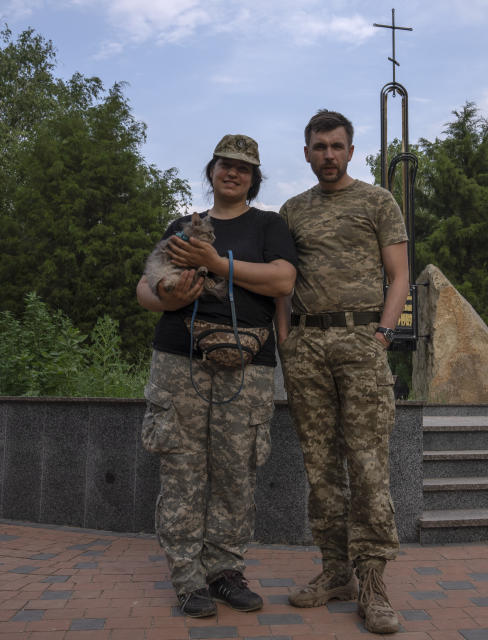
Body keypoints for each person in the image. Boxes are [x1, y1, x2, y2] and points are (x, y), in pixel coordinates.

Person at [136, 134, 297, 618]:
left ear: (254, 178)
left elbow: (284, 281)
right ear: (211, 171)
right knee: (182, 468)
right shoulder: (182, 225)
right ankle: (188, 579)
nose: (233, 173)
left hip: (247, 365)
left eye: (244, 168)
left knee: (235, 472)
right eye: (225, 165)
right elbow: (145, 289)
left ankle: (224, 571)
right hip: (179, 359)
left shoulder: (270, 226)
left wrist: (214, 264)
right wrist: (173, 296)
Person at [275, 110, 409, 634]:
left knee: (369, 463)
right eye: (319, 147)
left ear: (351, 151)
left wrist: (382, 334)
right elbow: (284, 282)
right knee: (320, 466)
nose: (328, 155)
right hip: (307, 345)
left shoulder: (378, 201)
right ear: (306, 153)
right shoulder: (291, 211)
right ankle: (334, 571)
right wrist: (287, 340)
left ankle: (372, 583)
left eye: (336, 146)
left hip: (361, 342)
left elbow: (398, 275)